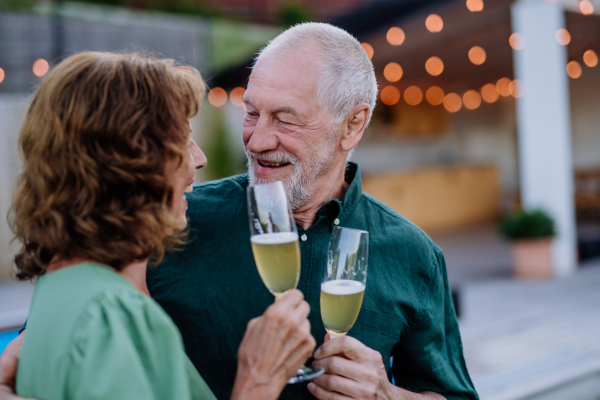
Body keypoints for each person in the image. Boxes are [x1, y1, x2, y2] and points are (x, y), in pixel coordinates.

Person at [1, 22, 478, 400]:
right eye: (251, 112)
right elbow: (57, 351)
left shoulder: (415, 254)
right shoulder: (166, 226)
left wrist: (386, 397)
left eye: (285, 119)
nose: (255, 138)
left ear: (352, 125)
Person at [1, 51, 315, 400]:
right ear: (129, 163)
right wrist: (257, 383)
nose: (199, 159)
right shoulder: (110, 317)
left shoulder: (60, 284)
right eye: (182, 140)